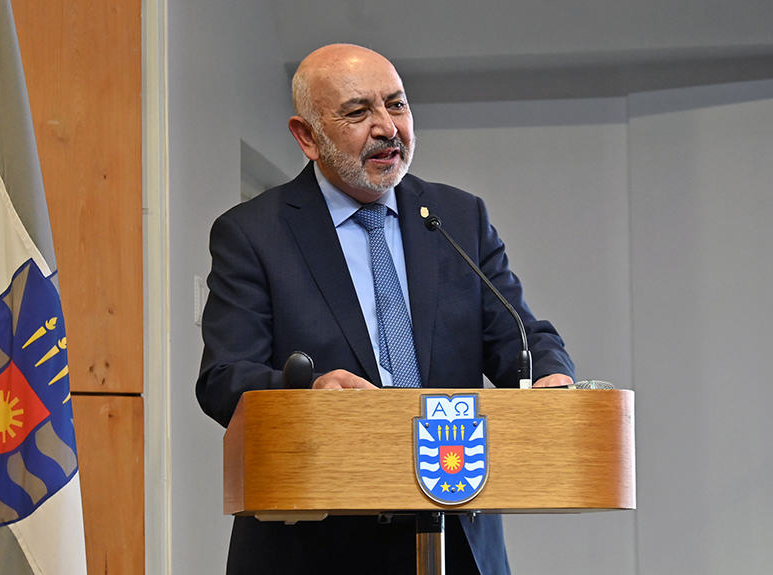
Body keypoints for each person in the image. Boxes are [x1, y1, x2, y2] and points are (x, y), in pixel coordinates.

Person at [197, 44, 576, 575]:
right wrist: (310, 391)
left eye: (396, 105)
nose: (387, 127)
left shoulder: (458, 217)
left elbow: (519, 335)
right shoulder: (253, 233)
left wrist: (551, 374)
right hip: (317, 543)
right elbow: (224, 377)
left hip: (453, 532)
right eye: (358, 112)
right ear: (307, 137)